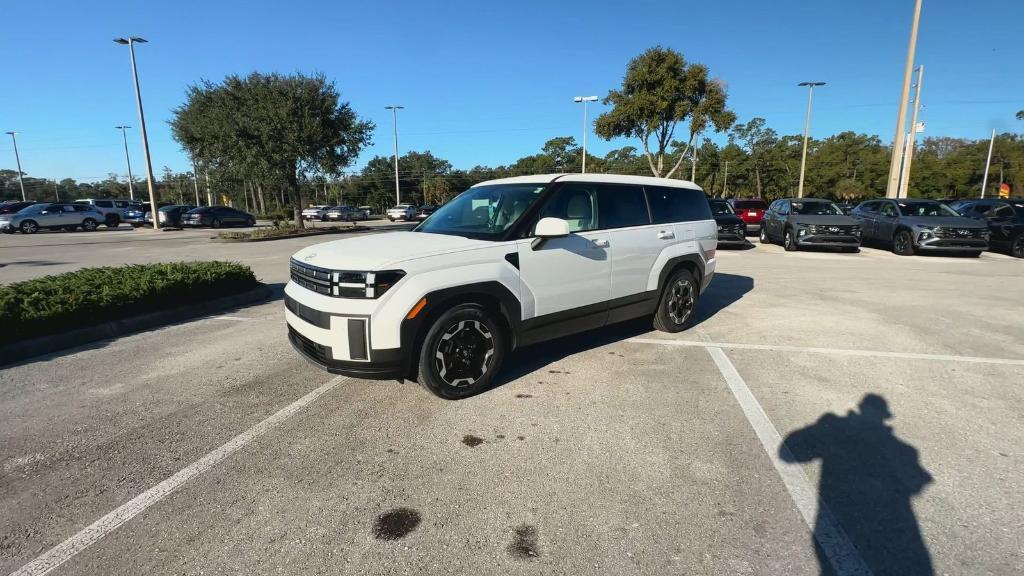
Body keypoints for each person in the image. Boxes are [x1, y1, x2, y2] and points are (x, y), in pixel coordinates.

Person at [782, 394, 934, 576]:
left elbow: (789, 453)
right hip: (898, 533)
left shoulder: (904, 450)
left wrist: (822, 427)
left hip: (853, 523)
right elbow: (917, 483)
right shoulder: (906, 451)